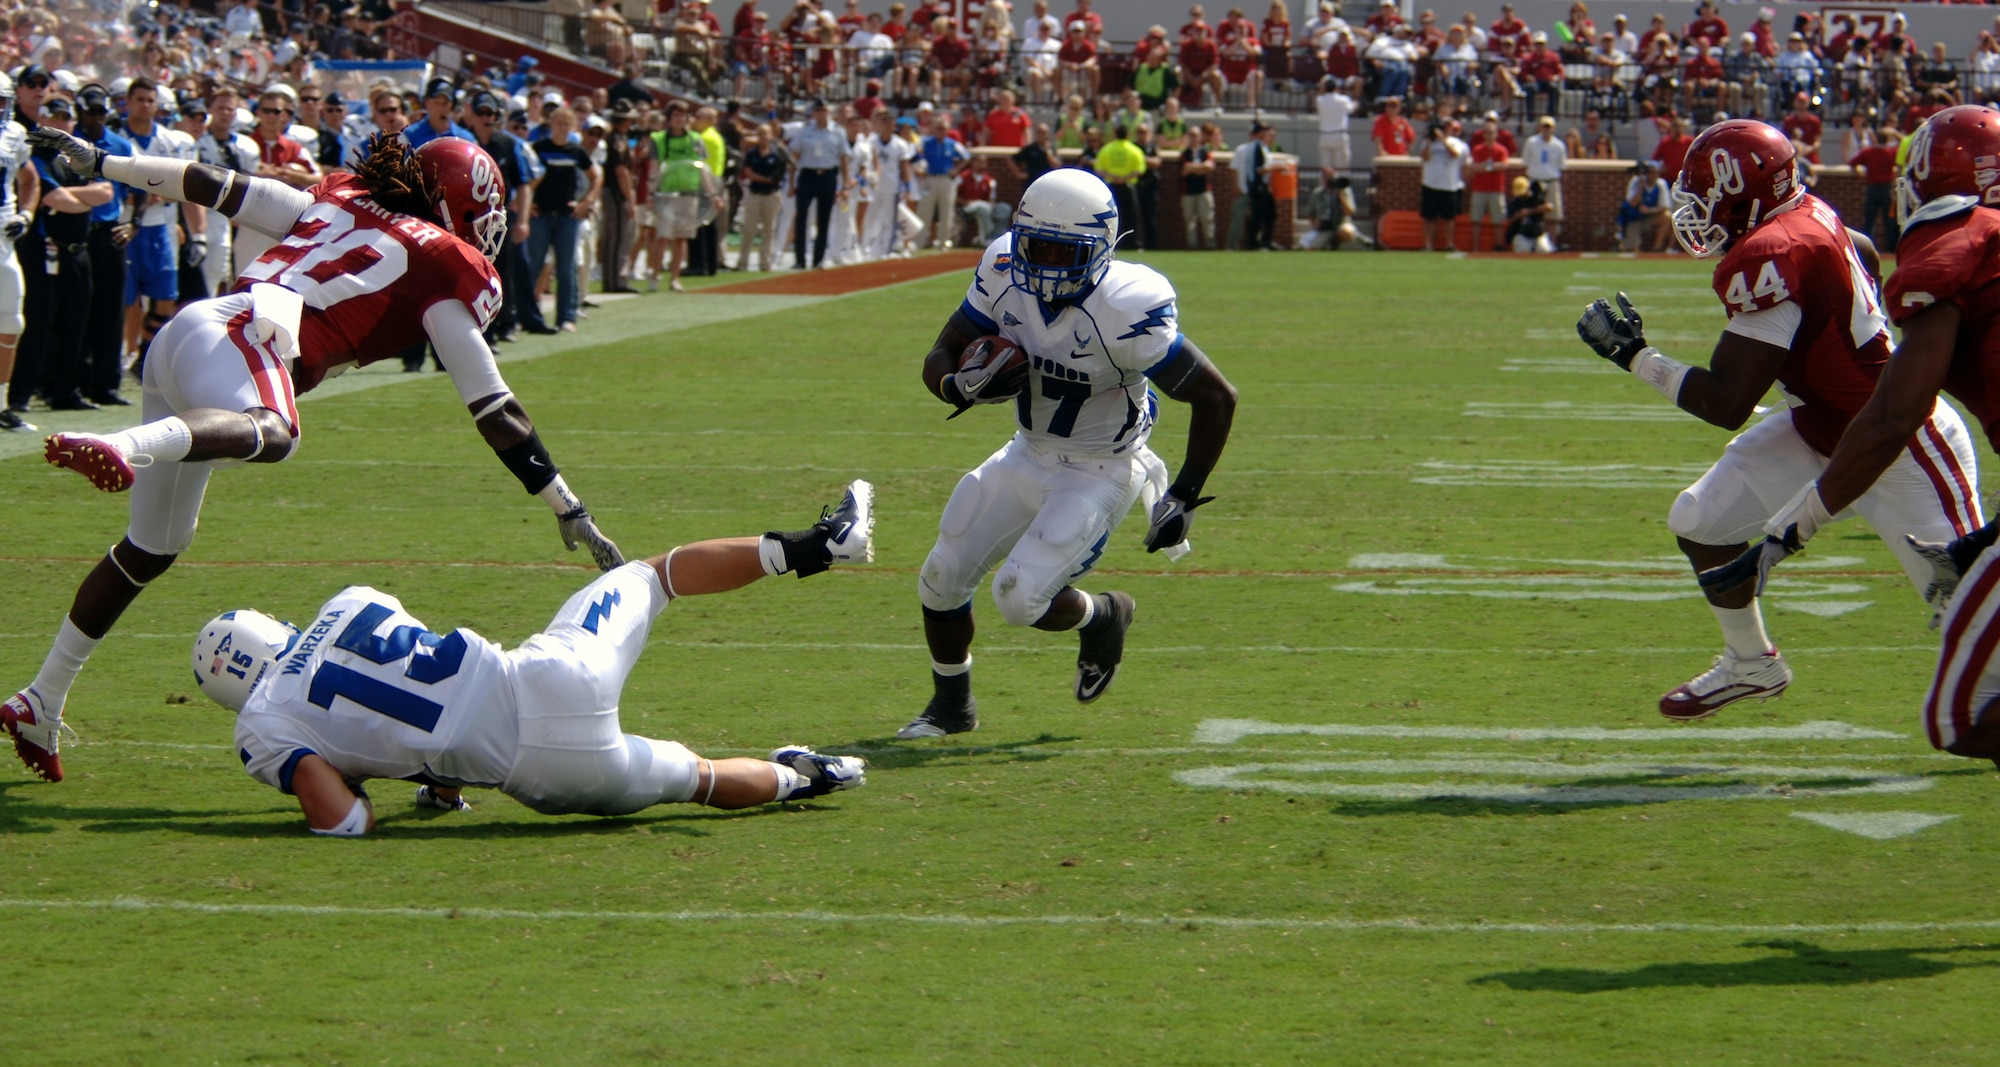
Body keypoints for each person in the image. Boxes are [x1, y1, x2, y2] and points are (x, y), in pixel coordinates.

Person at [8, 129, 625, 784]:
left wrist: (106, 162)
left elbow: (215, 185)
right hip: (247, 343)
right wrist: (565, 501)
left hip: (195, 330)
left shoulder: (343, 195)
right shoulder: (445, 261)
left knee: (152, 545)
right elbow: (495, 408)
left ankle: (39, 700)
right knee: (276, 430)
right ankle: (119, 445)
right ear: (457, 207)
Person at [1573, 120, 1980, 722]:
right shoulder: (1806, 212)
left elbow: (1726, 402)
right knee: (1701, 519)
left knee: (1973, 610)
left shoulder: (1770, 252)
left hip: (1900, 444)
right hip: (1820, 423)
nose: (1697, 206)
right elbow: (1862, 247)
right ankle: (1751, 663)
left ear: (1743, 190)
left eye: (1706, 190)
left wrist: (1634, 356)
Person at [190, 483, 877, 834]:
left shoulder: (264, 724)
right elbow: (423, 679)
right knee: (656, 574)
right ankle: (817, 545)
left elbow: (346, 818)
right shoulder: (348, 602)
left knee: (694, 779)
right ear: (272, 624)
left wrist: (404, 780)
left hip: (548, 774)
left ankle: (802, 779)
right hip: (546, 676)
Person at [1707, 107, 2000, 762]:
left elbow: (1894, 414)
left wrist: (1786, 535)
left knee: (1961, 717)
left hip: (1901, 442)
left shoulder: (1955, 242)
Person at [900, 169, 1237, 737]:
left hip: (1100, 468)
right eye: (1038, 247)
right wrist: (954, 385)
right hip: (1027, 451)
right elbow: (944, 349)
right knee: (941, 574)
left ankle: (1102, 615)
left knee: (1018, 598)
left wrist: (1183, 495)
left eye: (1066, 251)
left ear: (1103, 248)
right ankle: (951, 708)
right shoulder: (1004, 269)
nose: (1048, 265)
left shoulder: (1127, 307)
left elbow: (1215, 396)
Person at [526, 108, 600, 333]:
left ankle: (566, 317)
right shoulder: (538, 149)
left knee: (567, 268)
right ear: (550, 124)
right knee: (534, 266)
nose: (562, 128)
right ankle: (528, 315)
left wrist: (586, 202)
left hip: (567, 215)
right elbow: (526, 178)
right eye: (558, 123)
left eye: (567, 124)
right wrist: (527, 203)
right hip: (541, 214)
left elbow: (595, 176)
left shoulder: (575, 151)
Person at [648, 103, 712, 292]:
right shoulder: (659, 139)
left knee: (682, 238)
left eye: (682, 115)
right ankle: (655, 275)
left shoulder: (695, 139)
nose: (679, 119)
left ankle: (675, 278)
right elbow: (654, 167)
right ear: (669, 118)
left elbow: (702, 168)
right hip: (667, 192)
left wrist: (711, 193)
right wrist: (651, 193)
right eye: (675, 115)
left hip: (689, 192)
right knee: (662, 236)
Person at [787, 100, 849, 268]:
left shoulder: (838, 132)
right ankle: (800, 259)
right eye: (818, 110)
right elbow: (794, 157)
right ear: (814, 112)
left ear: (829, 112)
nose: (821, 113)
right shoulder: (804, 131)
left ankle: (818, 259)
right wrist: (791, 183)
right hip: (808, 175)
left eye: (824, 110)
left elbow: (843, 159)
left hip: (827, 175)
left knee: (824, 219)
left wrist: (845, 185)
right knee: (802, 217)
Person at [913, 111, 966, 250]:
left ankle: (943, 242)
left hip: (946, 179)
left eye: (943, 128)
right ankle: (919, 241)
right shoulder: (927, 142)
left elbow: (966, 156)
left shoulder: (952, 144)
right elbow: (917, 156)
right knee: (925, 210)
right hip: (931, 178)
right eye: (938, 128)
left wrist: (956, 169)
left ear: (948, 130)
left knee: (946, 211)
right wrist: (920, 169)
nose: (941, 131)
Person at [1418, 120, 1466, 253]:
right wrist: (1429, 140)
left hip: (1449, 185)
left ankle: (1449, 244)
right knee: (1429, 217)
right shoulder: (1429, 143)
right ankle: (1427, 244)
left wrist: (1443, 140)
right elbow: (1425, 157)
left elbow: (1455, 154)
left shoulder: (1456, 142)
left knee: (1449, 217)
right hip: (1431, 183)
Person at [1522, 115, 1565, 247]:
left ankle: (1552, 244)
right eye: (1544, 126)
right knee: (1533, 214)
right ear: (1540, 127)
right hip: (1535, 181)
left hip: (1551, 181)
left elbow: (1561, 166)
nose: (1547, 130)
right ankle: (1532, 243)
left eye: (1549, 127)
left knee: (1552, 216)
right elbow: (1526, 163)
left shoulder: (1558, 145)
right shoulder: (1531, 142)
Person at [1466, 118, 1508, 252]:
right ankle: (1475, 247)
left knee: (1498, 220)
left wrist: (1487, 166)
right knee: (1476, 220)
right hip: (1479, 188)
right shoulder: (1478, 149)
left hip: (1496, 189)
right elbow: (1474, 167)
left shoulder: (1501, 150)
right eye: (1486, 133)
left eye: (1491, 133)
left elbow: (1504, 166)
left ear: (1496, 134)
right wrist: (1489, 166)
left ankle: (1498, 245)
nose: (1489, 135)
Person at [1237, 119, 1280, 251]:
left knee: (1270, 213)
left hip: (1263, 186)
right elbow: (1259, 169)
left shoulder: (1263, 148)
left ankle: (1265, 241)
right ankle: (1253, 242)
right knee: (1258, 216)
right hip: (1257, 186)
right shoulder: (1257, 148)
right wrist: (1277, 167)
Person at [1617, 158, 1670, 252]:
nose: (1652, 175)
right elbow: (1632, 203)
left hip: (1650, 217)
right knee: (1631, 249)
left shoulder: (1660, 184)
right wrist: (1640, 188)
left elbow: (1665, 207)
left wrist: (1649, 210)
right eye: (1649, 172)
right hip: (1634, 218)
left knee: (1667, 217)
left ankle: (1657, 248)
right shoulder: (1636, 182)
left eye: (1654, 172)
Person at [1182, 124, 1217, 249]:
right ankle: (1192, 245)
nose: (1193, 138)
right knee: (1189, 221)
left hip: (1204, 191)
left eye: (1195, 135)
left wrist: (1193, 168)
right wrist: (1201, 168)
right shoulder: (1185, 153)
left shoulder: (1205, 152)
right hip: (1188, 192)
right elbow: (1184, 170)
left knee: (1207, 219)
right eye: (1191, 135)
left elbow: (1210, 167)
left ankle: (1210, 244)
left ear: (1200, 136)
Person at [1314, 76, 1353, 175]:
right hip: (1339, 135)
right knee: (1342, 167)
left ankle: (1324, 186)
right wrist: (1356, 103)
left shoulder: (1320, 100)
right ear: (1336, 88)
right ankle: (1342, 188)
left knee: (1325, 165)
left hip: (1325, 135)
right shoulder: (1343, 100)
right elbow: (1351, 109)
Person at [1503, 175, 1551, 253]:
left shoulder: (1536, 199)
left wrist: (1529, 212)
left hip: (1538, 233)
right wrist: (1518, 216)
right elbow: (1509, 221)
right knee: (1522, 249)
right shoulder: (1515, 203)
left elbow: (1548, 207)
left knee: (1543, 250)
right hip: (1522, 234)